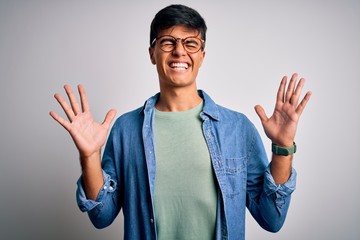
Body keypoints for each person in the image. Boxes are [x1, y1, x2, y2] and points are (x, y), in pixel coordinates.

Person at [50, 4, 311, 240]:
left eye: (190, 43)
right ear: (152, 53)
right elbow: (101, 217)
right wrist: (89, 156)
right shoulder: (125, 129)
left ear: (202, 55)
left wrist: (282, 147)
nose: (179, 51)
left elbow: (272, 219)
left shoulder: (237, 129)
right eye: (167, 42)